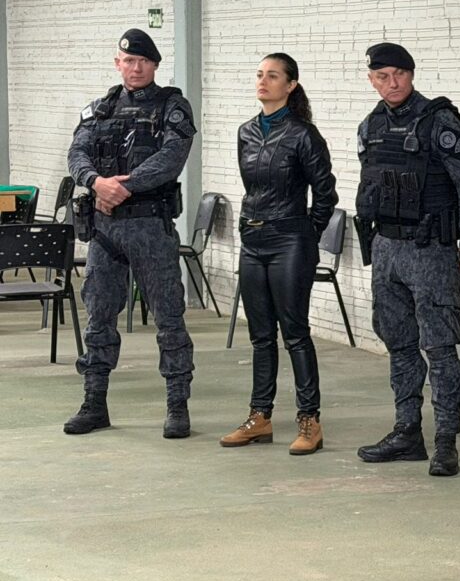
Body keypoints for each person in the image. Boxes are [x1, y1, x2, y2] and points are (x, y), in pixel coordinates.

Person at [353, 42, 460, 477]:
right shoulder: (370, 126)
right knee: (399, 344)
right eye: (382, 76)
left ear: (411, 75)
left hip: (431, 250)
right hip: (387, 249)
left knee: (440, 347)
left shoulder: (438, 121)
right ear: (372, 80)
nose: (392, 83)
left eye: (399, 74)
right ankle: (407, 431)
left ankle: (446, 440)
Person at [65, 29, 196, 438]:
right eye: (128, 61)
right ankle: (94, 403)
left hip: (149, 227)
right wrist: (95, 182)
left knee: (169, 319)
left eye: (143, 61)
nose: (135, 67)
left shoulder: (172, 106)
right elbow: (77, 153)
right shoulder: (100, 109)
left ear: (154, 65)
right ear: (117, 64)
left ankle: (177, 406)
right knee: (98, 318)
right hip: (105, 231)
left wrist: (120, 188)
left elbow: (171, 158)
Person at [219, 53, 338, 455]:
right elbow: (253, 187)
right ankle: (260, 417)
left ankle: (310, 420)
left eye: (272, 76)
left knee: (295, 333)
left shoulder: (304, 135)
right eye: (260, 74)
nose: (263, 81)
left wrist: (305, 234)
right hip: (253, 241)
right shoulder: (246, 132)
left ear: (290, 85)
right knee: (260, 335)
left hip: (290, 240)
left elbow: (325, 194)